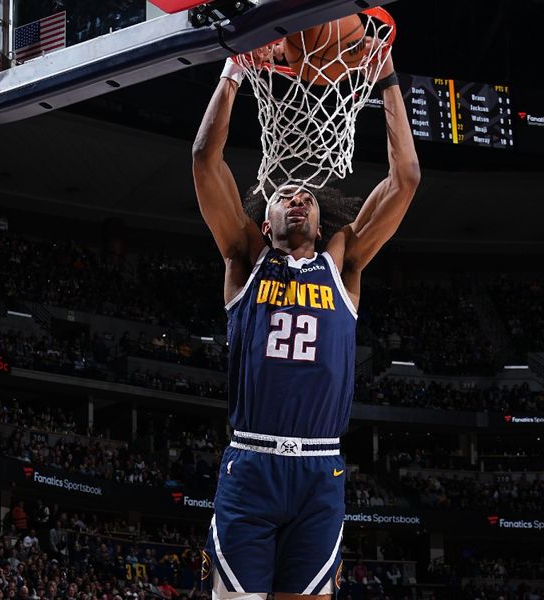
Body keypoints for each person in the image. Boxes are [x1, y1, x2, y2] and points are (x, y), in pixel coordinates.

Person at [192, 25, 420, 600]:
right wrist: (235, 71)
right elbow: (203, 158)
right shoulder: (245, 259)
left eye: (307, 197)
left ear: (322, 223)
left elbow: (406, 179)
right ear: (263, 219)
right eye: (284, 195)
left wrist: (385, 77)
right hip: (251, 461)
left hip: (321, 470)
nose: (297, 197)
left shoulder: (344, 265)